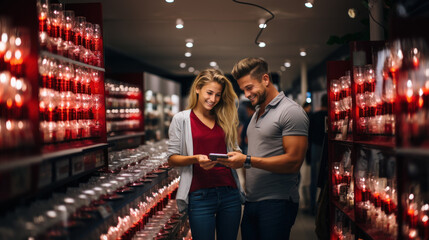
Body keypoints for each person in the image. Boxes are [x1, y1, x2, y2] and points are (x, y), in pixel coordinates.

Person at [218, 57, 309, 240]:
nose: (246, 94)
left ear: (265, 79)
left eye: (249, 87)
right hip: (252, 201)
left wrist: (248, 160)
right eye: (243, 89)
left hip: (278, 202)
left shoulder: (290, 111)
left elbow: (293, 162)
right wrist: (240, 159)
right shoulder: (257, 113)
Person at [167, 69, 244, 240]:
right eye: (209, 93)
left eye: (218, 95)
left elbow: (236, 150)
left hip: (229, 193)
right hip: (200, 195)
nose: (213, 99)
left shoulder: (225, 118)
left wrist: (235, 157)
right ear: (197, 89)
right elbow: (172, 158)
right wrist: (195, 159)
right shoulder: (181, 119)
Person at [309, 93, 328, 215]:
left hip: (315, 148)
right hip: (327, 148)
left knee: (314, 179)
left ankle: (313, 207)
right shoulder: (330, 116)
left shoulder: (314, 116)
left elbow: (309, 135)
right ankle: (323, 207)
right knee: (326, 179)